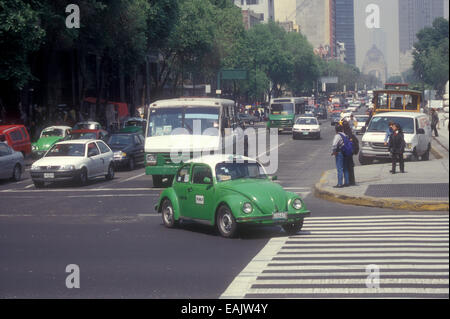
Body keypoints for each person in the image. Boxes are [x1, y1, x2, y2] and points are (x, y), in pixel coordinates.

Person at [342, 120, 358, 186]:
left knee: (346, 167)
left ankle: (347, 181)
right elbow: (356, 141)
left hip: (345, 153)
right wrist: (354, 151)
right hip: (350, 152)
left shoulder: (344, 134)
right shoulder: (351, 134)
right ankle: (352, 181)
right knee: (350, 166)